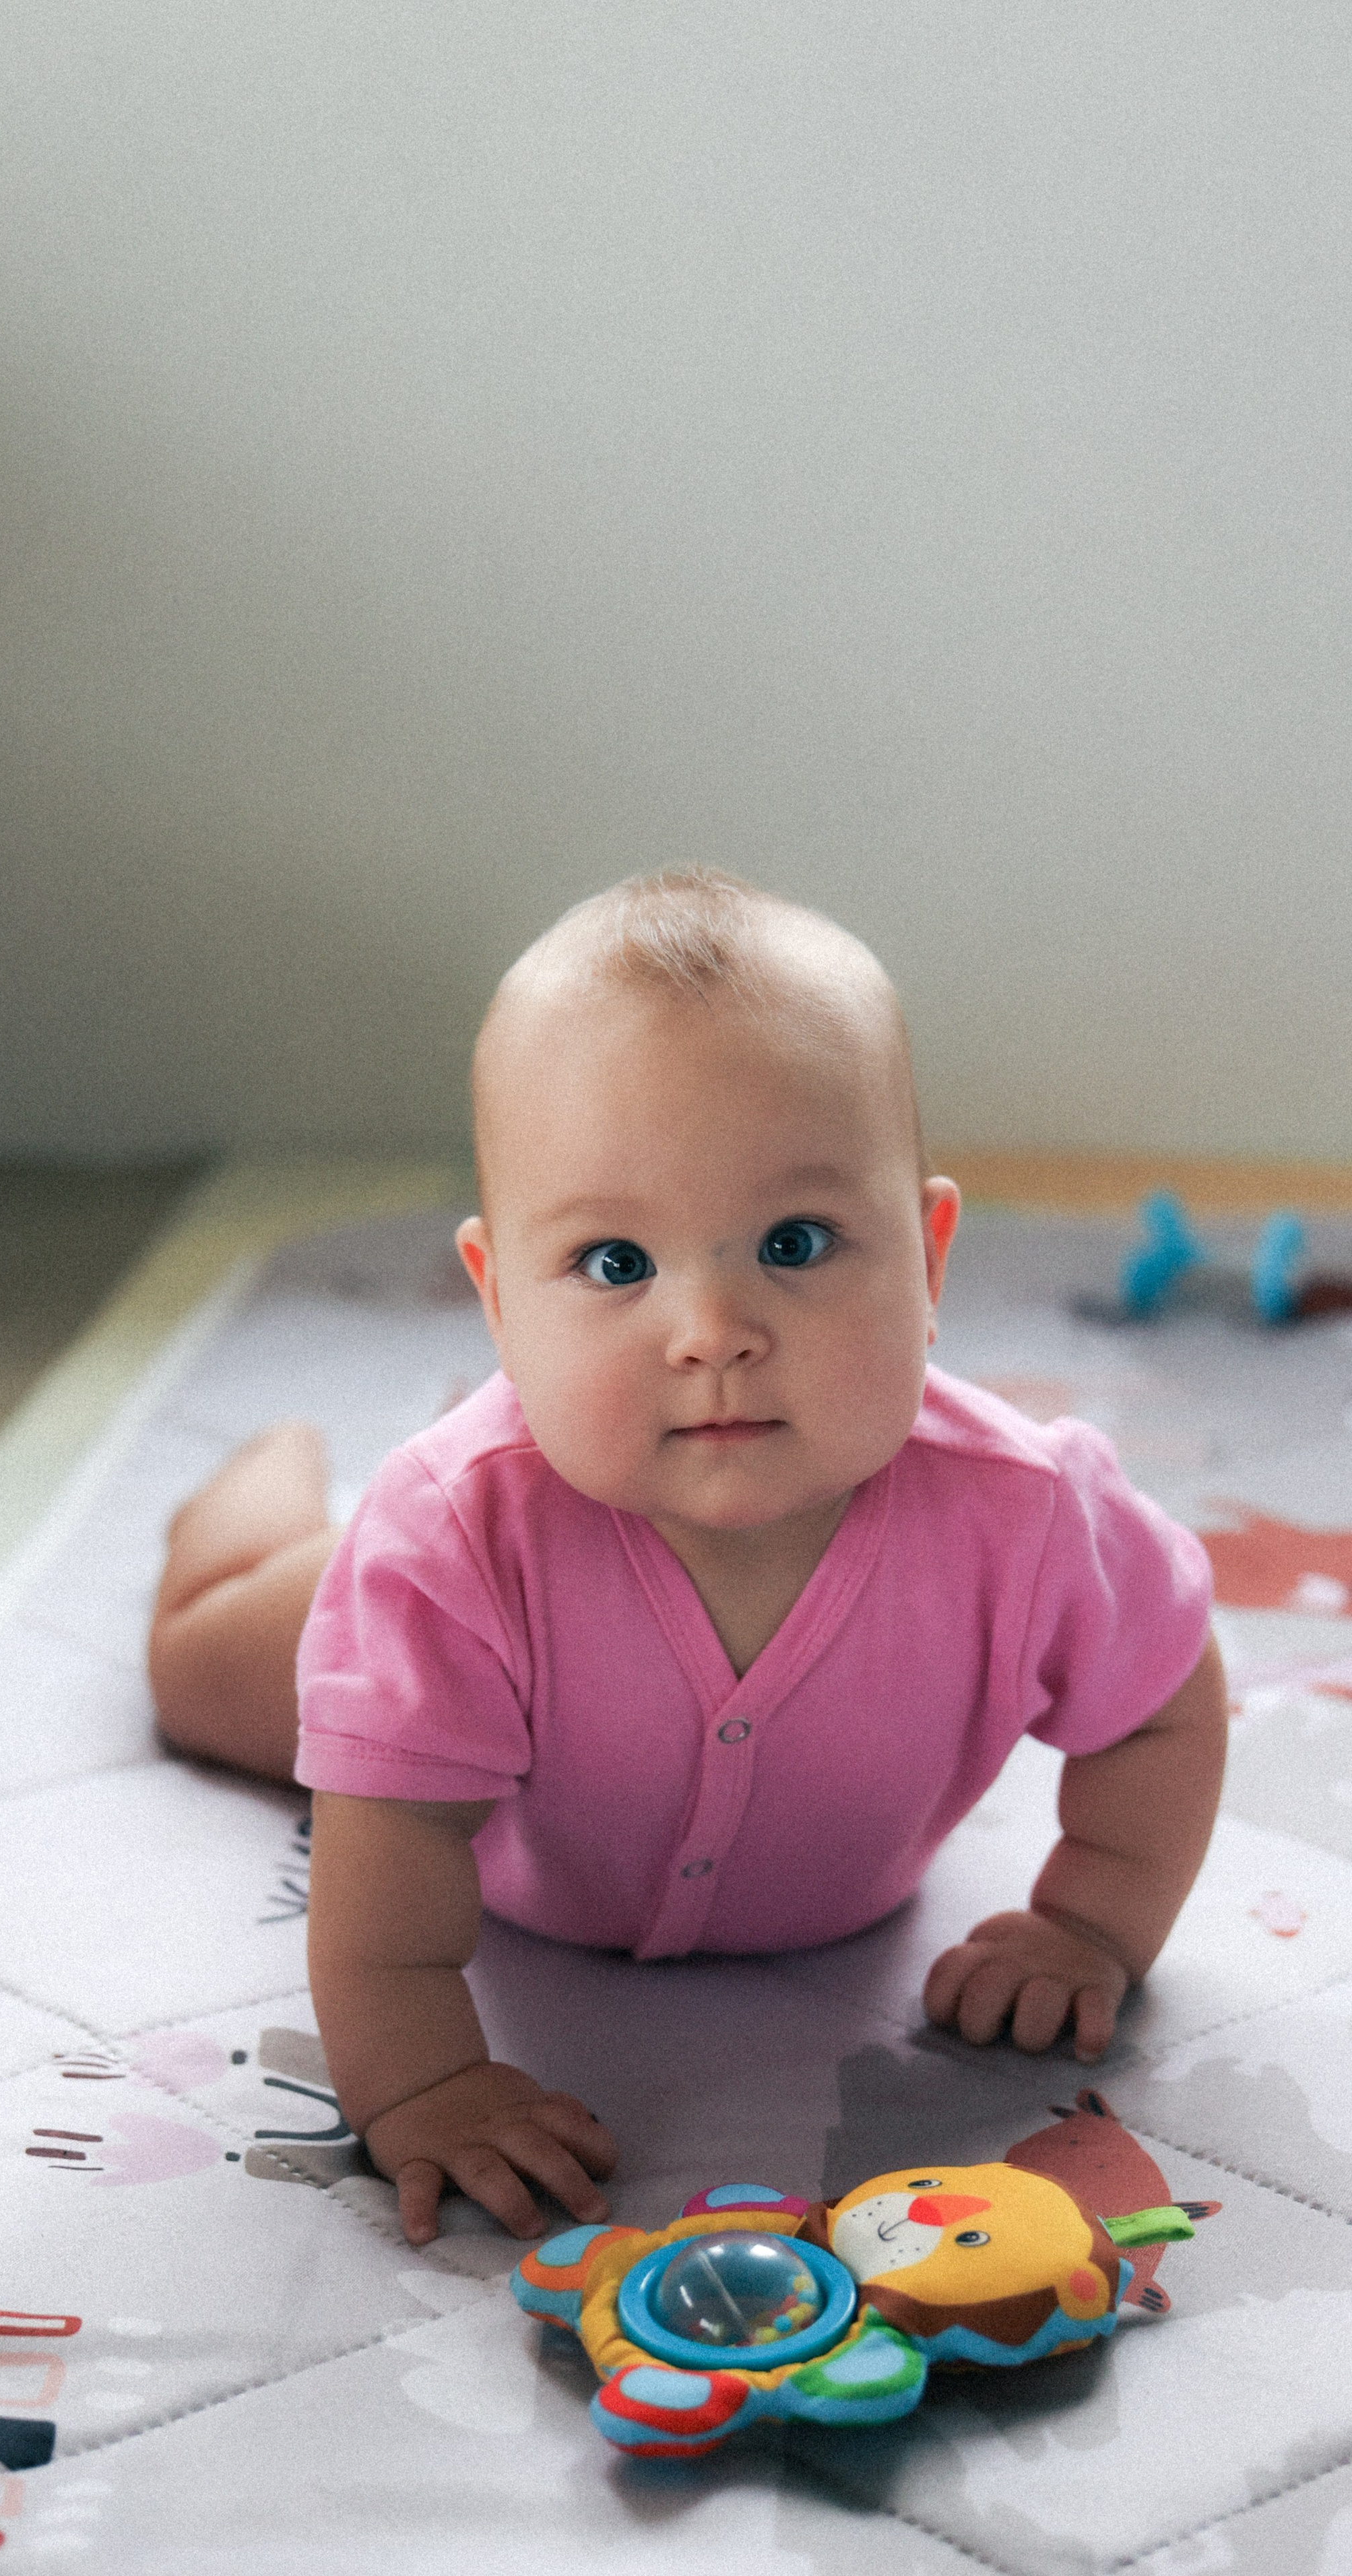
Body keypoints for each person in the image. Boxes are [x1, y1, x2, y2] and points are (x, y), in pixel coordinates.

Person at [150, 869, 1226, 2249]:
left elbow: (1160, 1698)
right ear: (495, 1300)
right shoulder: (446, 1551)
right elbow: (394, 1850)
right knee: (201, 1670)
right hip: (409, 1624)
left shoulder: (1026, 1513)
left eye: (794, 1244)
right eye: (612, 1263)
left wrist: (1090, 1925)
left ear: (927, 1255)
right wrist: (424, 2083)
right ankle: (248, 1498)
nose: (712, 1327)